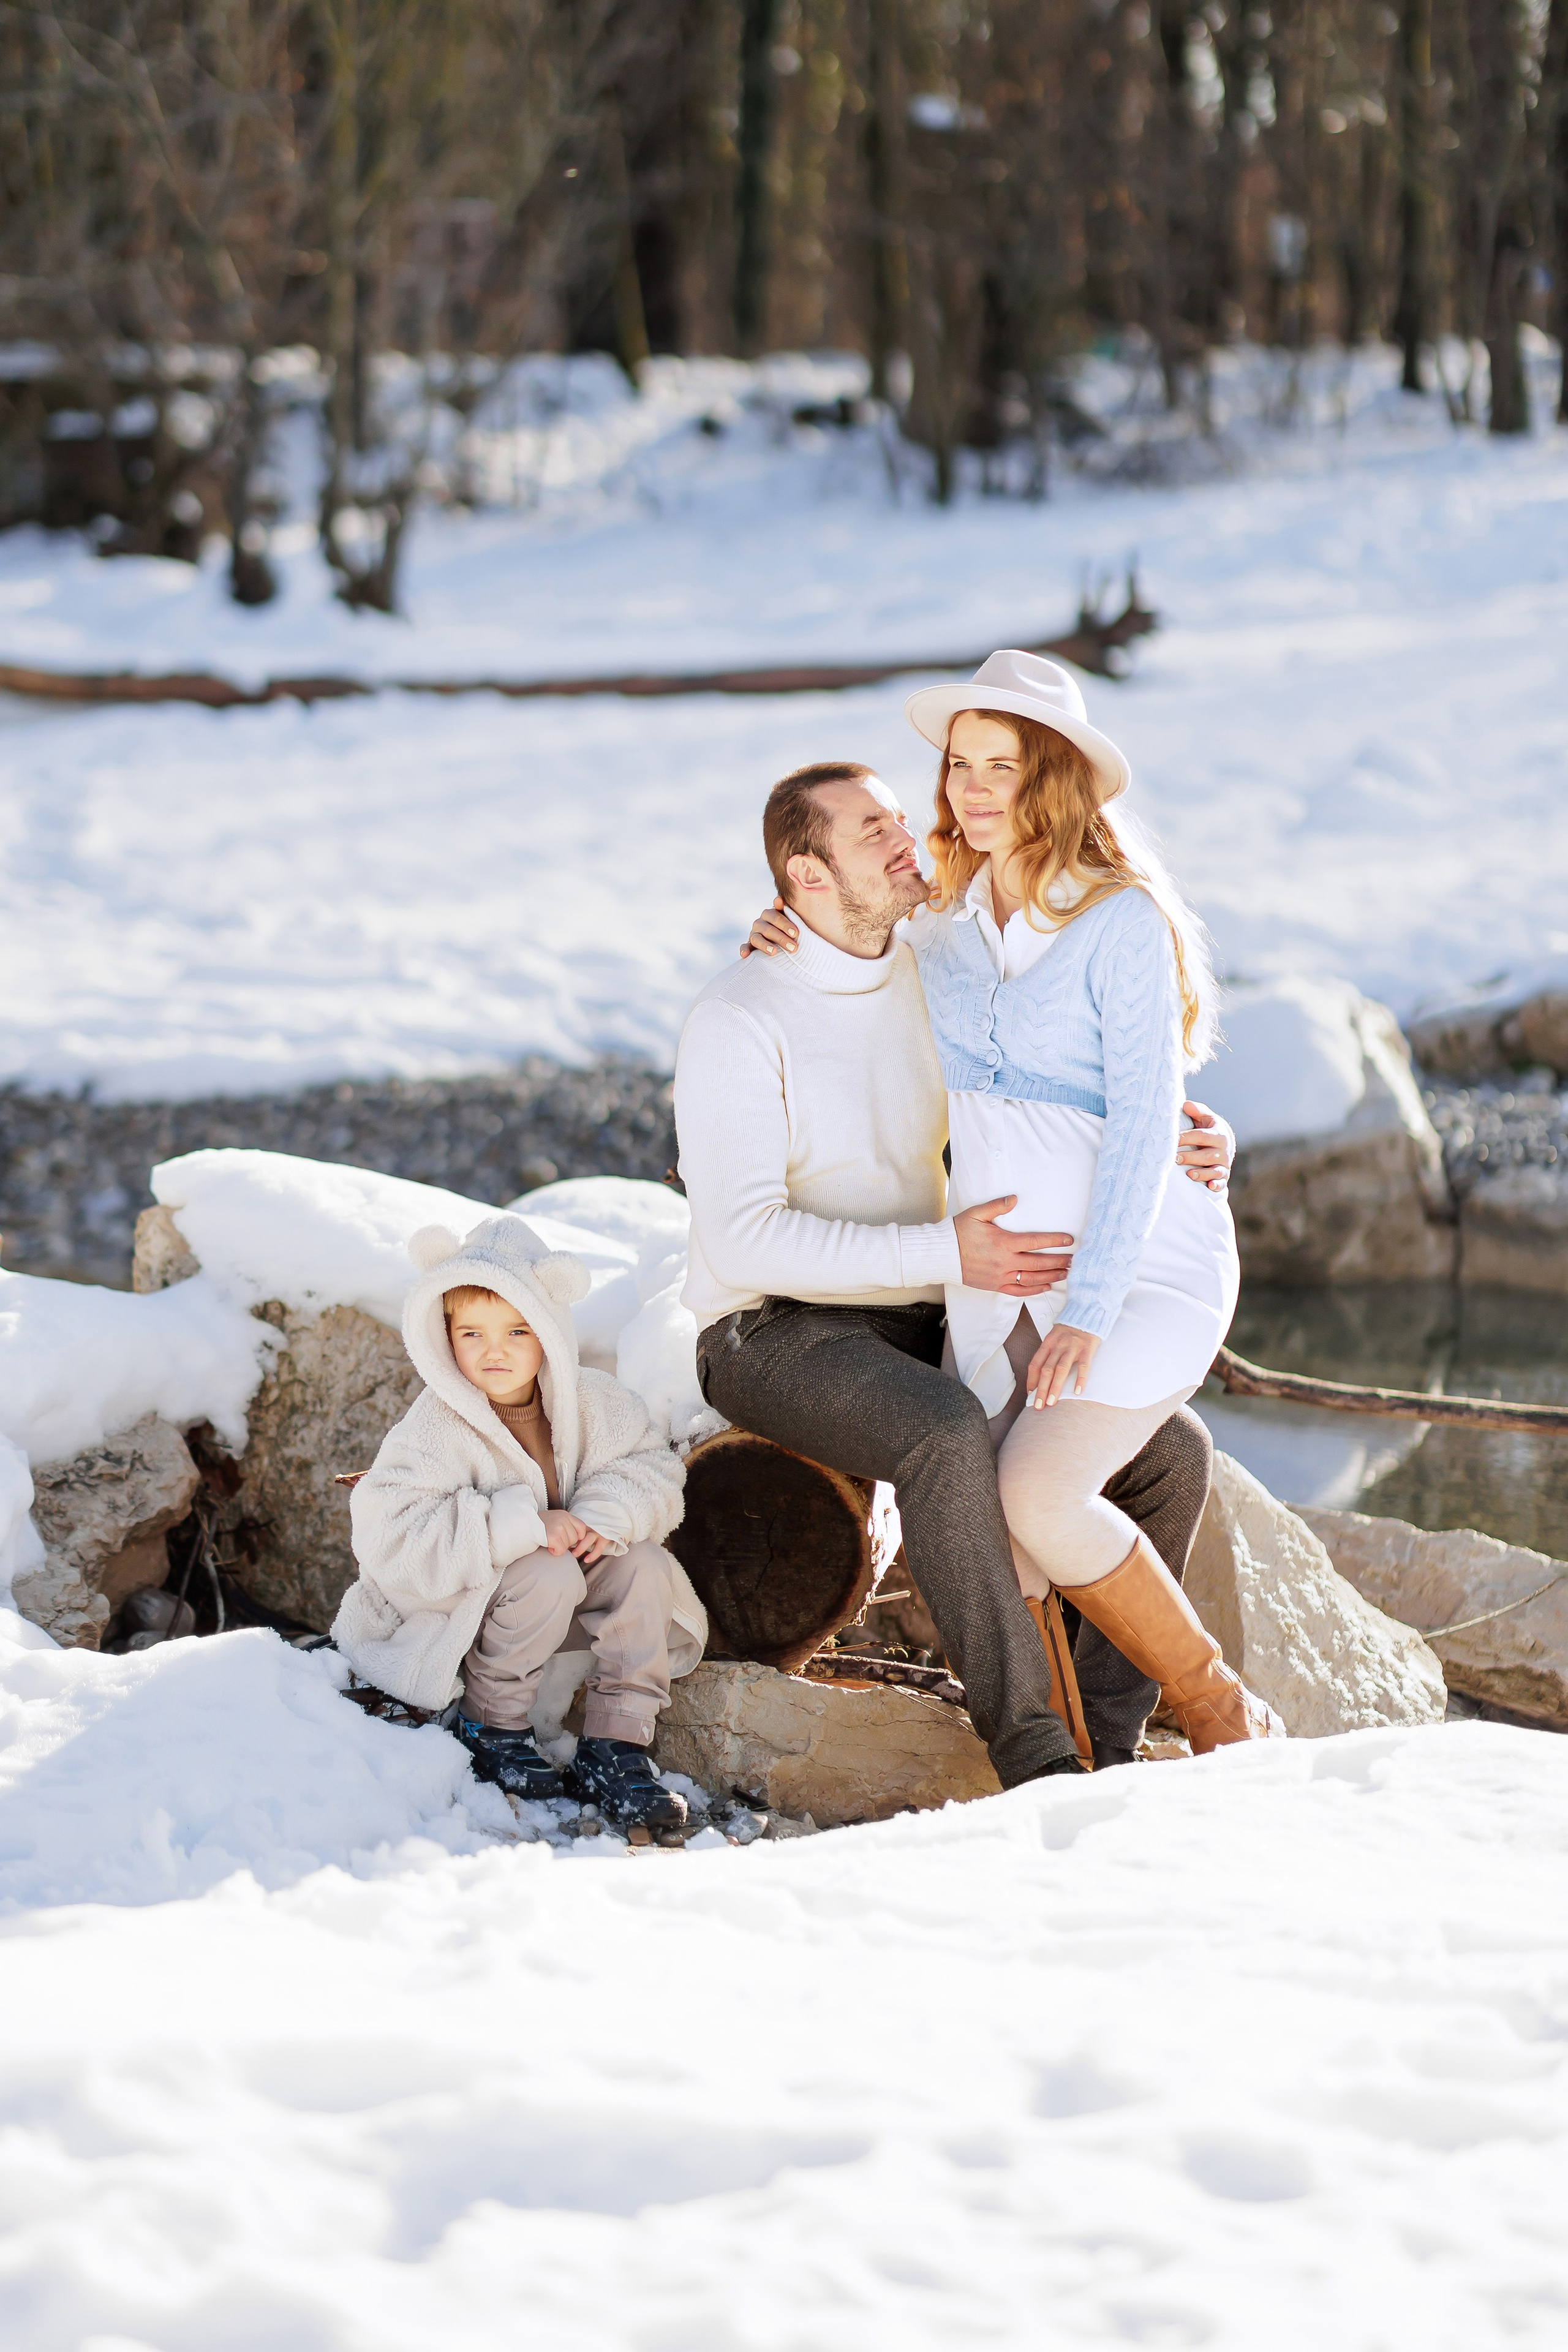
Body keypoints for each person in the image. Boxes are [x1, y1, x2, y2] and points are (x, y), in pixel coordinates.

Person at [674, 734, 1238, 1789]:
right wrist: (952, 1251)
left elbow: (1061, 1079)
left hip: (921, 1308)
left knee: (1176, 1452)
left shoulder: (934, 965)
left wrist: (1186, 1135)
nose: (909, 841)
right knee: (944, 1435)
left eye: (900, 819)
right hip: (773, 1328)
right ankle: (1034, 1757)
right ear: (806, 876)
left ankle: (1109, 1741)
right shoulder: (740, 1014)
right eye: (874, 831)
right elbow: (742, 1236)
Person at [332, 1212, 704, 1833]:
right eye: (471, 1334)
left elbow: (653, 1469)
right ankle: (494, 1726)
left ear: (550, 1332)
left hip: (563, 1606)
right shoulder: (434, 1426)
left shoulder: (596, 1403)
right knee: (549, 1571)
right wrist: (522, 1525)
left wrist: (598, 1517)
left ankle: (617, 1742)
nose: (494, 1351)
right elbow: (388, 1534)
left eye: (517, 1330)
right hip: (474, 1614)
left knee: (644, 1564)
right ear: (443, 1334)